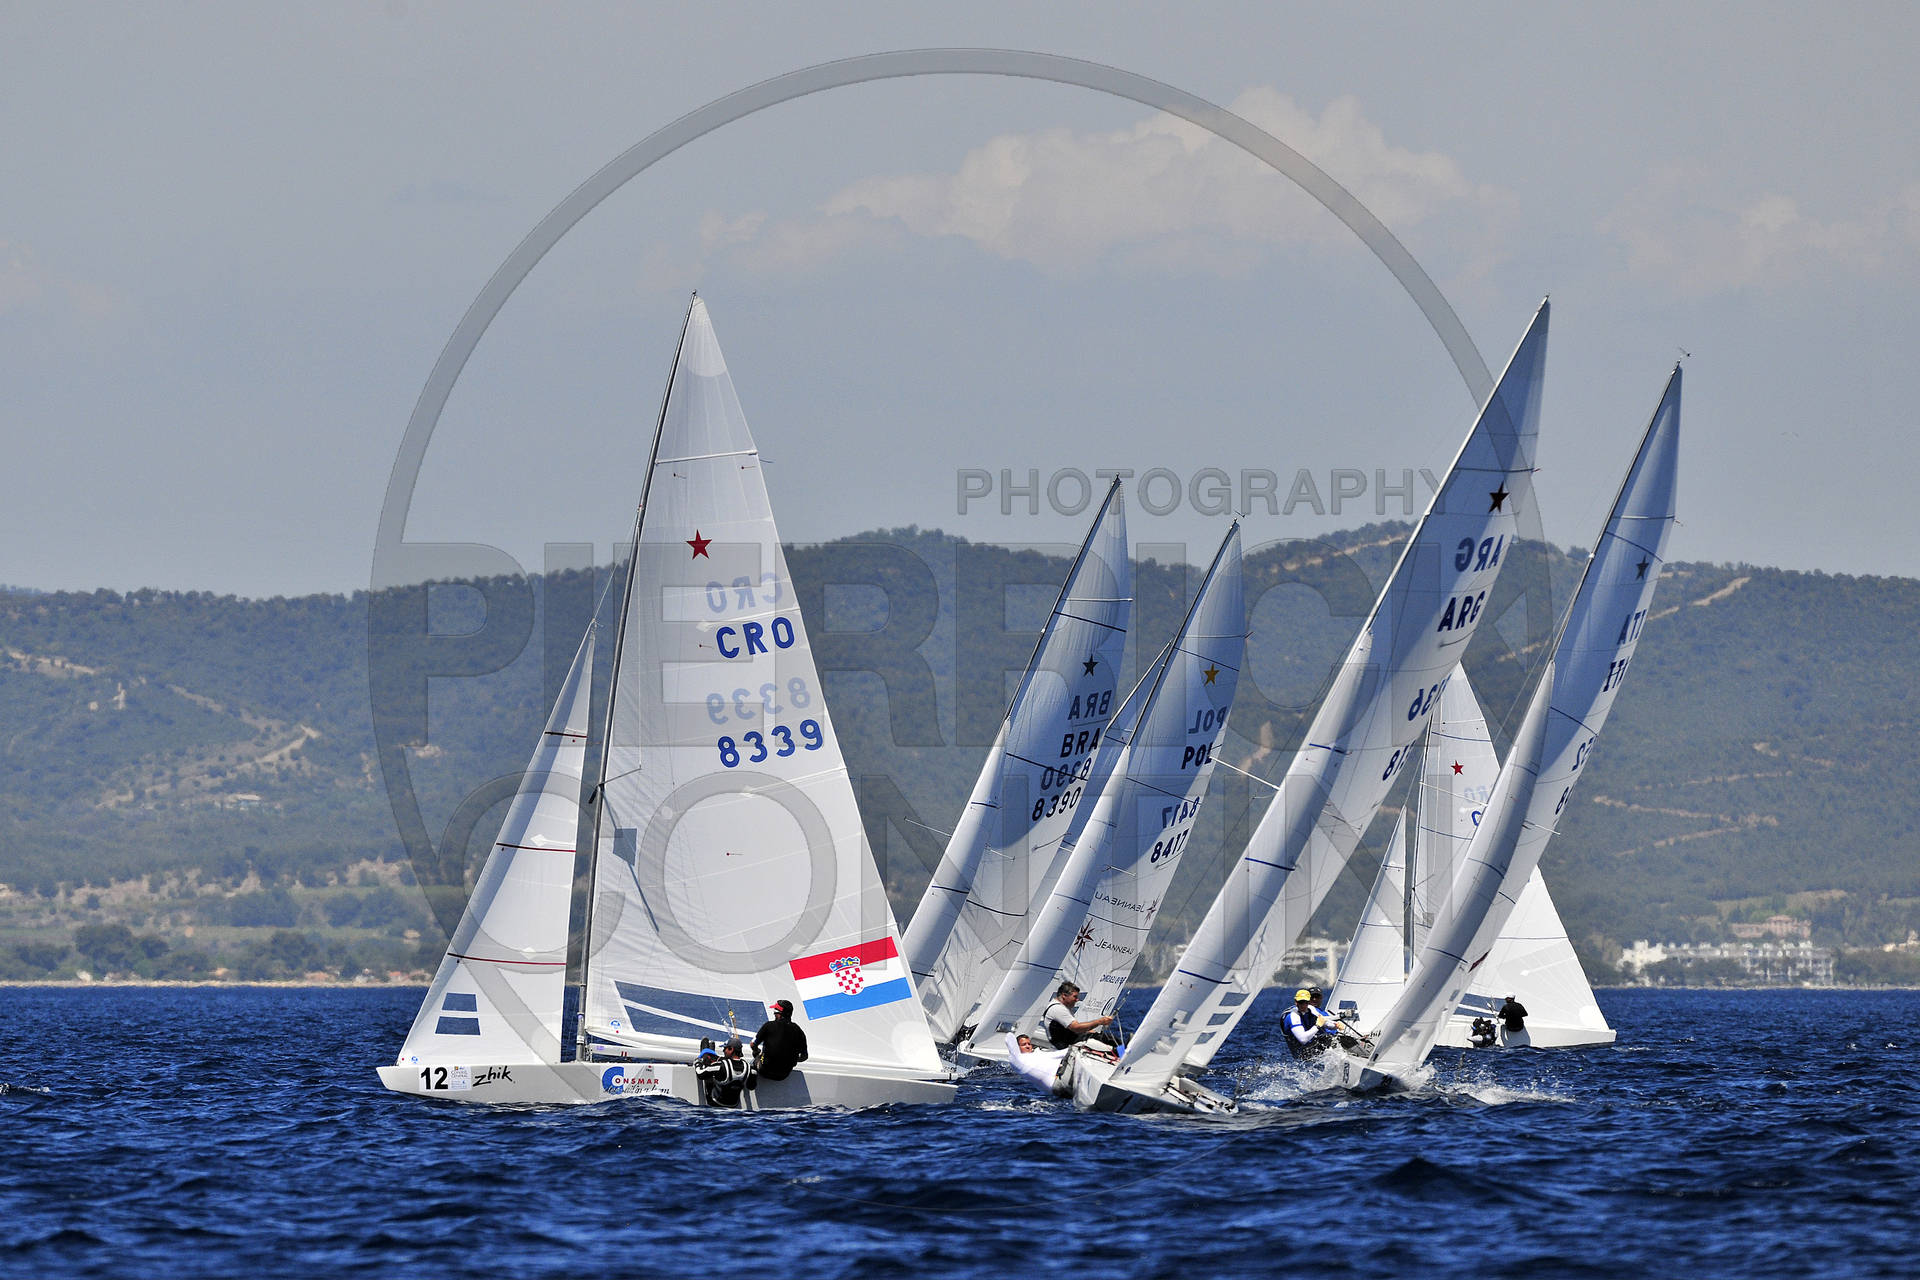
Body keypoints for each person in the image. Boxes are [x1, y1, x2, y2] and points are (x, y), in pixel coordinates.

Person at [1040, 982, 1118, 1050]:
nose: (1077, 1000)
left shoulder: (1060, 1006)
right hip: (1065, 1045)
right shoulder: (1058, 1009)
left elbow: (1070, 1028)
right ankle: (1121, 1056)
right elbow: (1076, 1028)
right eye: (1075, 997)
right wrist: (1100, 1021)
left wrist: (1091, 1031)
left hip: (1071, 1040)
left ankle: (1121, 1055)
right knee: (1113, 1045)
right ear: (1064, 995)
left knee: (1110, 1040)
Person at [753, 998, 810, 1081]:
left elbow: (753, 1044)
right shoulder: (799, 1031)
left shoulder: (769, 1025)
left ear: (780, 1013)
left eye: (775, 1011)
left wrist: (756, 1052)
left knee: (753, 1061)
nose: (774, 1014)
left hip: (764, 1070)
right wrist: (788, 1059)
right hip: (783, 1075)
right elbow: (804, 1057)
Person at [694, 1037, 755, 1107]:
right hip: (733, 1104)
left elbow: (700, 1074)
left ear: (731, 1049)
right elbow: (751, 1087)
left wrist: (697, 1063)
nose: (723, 1051)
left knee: (707, 1062)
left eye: (725, 1048)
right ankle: (710, 1048)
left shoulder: (721, 1066)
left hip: (715, 1102)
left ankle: (706, 1046)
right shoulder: (749, 1068)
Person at [1282, 987, 1341, 1060]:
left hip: (1310, 1045)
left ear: (1308, 1002)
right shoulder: (1293, 1016)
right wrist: (1317, 1026)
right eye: (1301, 1002)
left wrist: (1336, 1025)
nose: (1303, 1005)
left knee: (1334, 1038)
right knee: (1326, 1040)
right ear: (1296, 1002)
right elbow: (1303, 1039)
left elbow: (1325, 1022)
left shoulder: (1311, 1009)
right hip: (1300, 1051)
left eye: (1306, 1002)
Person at [1005, 1030, 1069, 1092]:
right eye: (1024, 1044)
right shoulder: (1016, 1063)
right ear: (1017, 1047)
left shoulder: (1040, 1054)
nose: (1028, 1046)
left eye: (1029, 1044)